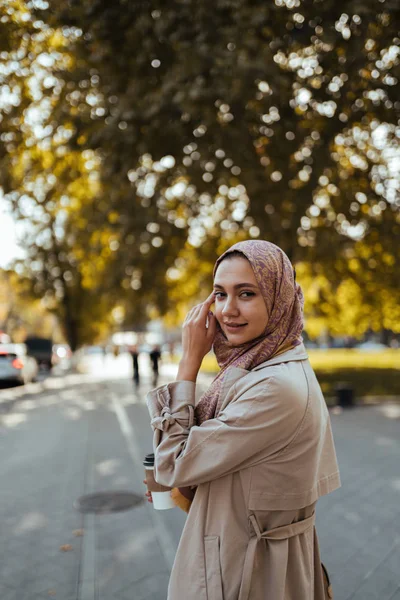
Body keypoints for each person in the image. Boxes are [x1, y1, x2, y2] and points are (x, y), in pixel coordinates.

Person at [146, 240, 340, 600]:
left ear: (279, 299)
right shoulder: (264, 366)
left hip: (245, 575)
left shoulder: (273, 388)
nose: (227, 310)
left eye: (246, 293)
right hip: (249, 560)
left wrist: (189, 362)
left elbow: (172, 464)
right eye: (219, 294)